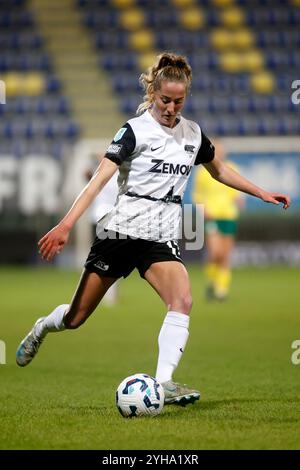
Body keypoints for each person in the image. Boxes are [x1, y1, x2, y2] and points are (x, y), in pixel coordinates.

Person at [16, 52, 290, 407]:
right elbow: (98, 181)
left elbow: (219, 170)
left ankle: (164, 383)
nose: (171, 107)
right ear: (152, 93)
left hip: (161, 234)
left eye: (178, 101)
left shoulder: (193, 134)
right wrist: (66, 224)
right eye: (165, 100)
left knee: (182, 301)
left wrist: (261, 192)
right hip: (120, 232)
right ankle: (42, 328)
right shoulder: (134, 130)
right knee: (76, 317)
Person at [193, 140, 244, 300]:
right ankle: (212, 282)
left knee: (225, 255)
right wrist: (203, 209)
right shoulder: (203, 172)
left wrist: (239, 199)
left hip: (228, 215)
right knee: (215, 252)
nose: (219, 153)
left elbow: (237, 190)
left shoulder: (233, 168)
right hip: (212, 215)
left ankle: (222, 289)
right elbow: (197, 194)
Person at [85, 153, 119, 306]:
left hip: (108, 218)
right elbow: (87, 175)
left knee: (105, 258)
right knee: (103, 257)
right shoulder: (104, 172)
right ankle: (106, 293)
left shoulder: (115, 174)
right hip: (101, 218)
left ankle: (108, 294)